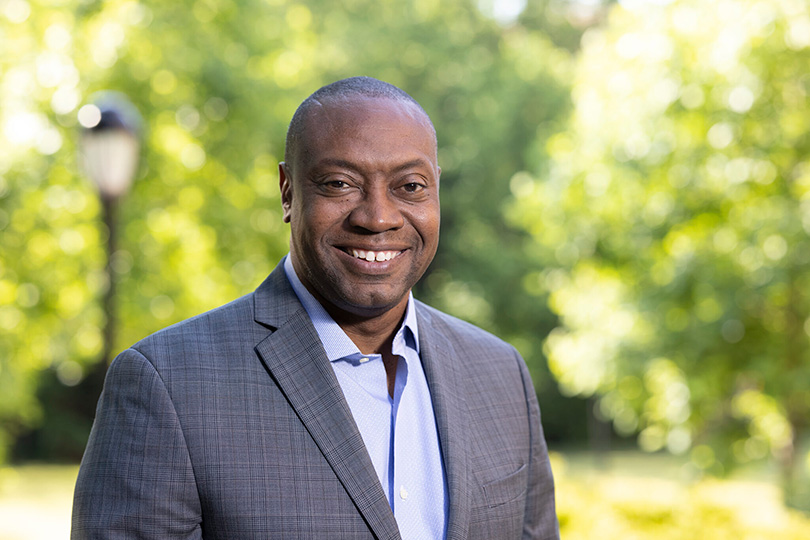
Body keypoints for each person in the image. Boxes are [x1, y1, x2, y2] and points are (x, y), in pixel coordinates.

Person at [72, 76, 559, 540]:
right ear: (288, 192)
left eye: (410, 186)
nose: (378, 217)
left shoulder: (500, 374)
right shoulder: (166, 384)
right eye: (340, 183)